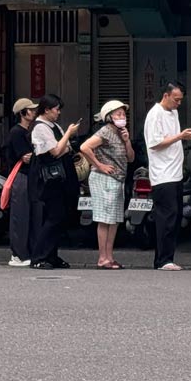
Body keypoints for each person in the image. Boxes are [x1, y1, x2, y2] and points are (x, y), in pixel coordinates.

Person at [144, 82, 191, 271]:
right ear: (165, 96)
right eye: (176, 99)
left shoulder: (173, 113)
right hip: (162, 174)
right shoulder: (154, 115)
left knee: (175, 217)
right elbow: (155, 143)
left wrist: (183, 137)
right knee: (167, 216)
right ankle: (162, 260)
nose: (179, 104)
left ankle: (167, 257)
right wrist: (180, 137)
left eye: (181, 100)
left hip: (175, 173)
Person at [27, 94, 80, 270]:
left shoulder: (54, 126)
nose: (58, 112)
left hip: (61, 178)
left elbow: (67, 147)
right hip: (49, 180)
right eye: (56, 109)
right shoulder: (39, 128)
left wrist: (64, 142)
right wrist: (68, 135)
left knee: (61, 218)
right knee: (53, 217)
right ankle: (39, 256)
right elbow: (56, 150)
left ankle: (51, 255)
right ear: (47, 109)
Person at [80, 100, 134, 269]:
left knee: (114, 219)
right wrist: (99, 165)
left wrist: (127, 141)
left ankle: (109, 257)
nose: (122, 117)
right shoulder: (105, 131)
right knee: (105, 219)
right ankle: (103, 258)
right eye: (118, 114)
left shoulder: (121, 133)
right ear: (109, 116)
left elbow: (131, 158)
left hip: (117, 178)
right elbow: (84, 147)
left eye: (123, 114)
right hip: (104, 178)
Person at [4, 97, 37, 267]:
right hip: (21, 176)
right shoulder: (17, 132)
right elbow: (26, 157)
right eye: (30, 110)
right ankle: (17, 254)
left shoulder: (27, 131)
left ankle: (26, 252)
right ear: (23, 113)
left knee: (29, 216)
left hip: (27, 176)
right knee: (20, 216)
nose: (33, 112)